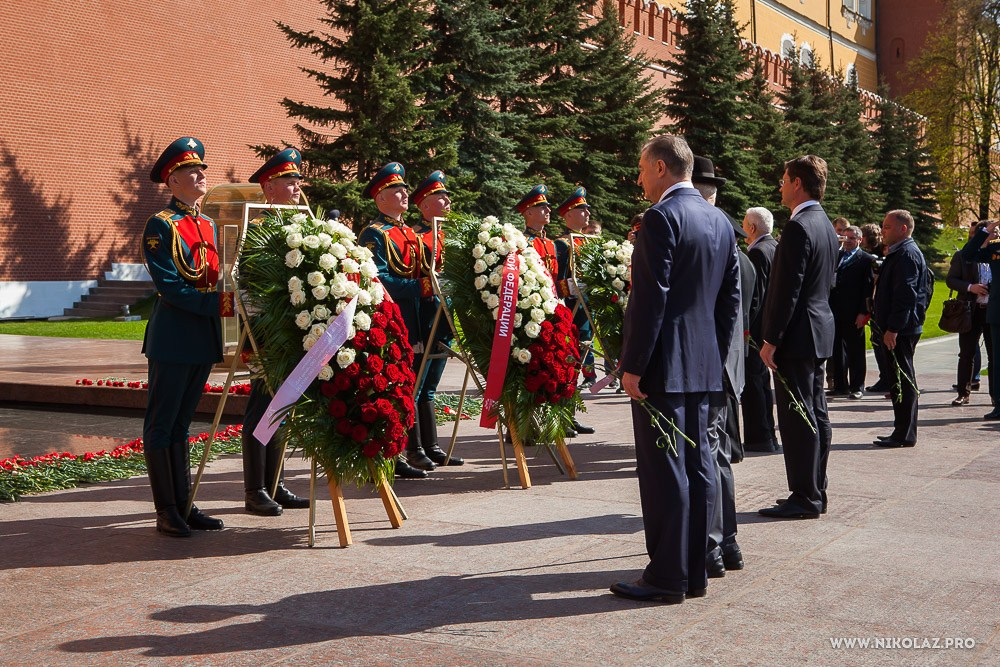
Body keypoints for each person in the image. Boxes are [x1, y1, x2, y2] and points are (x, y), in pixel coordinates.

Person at [611, 135, 740, 603]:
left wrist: (633, 364)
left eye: (642, 168)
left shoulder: (661, 217)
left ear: (661, 168)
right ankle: (693, 571)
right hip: (703, 364)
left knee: (665, 470)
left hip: (663, 365)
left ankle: (667, 577)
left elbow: (651, 299)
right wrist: (713, 355)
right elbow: (730, 301)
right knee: (699, 466)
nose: (639, 178)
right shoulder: (719, 220)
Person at [142, 137, 234, 537]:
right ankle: (166, 509)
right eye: (190, 171)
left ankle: (184, 503)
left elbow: (215, 277)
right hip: (174, 335)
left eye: (201, 170)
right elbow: (171, 288)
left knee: (182, 423)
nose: (200, 175)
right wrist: (222, 305)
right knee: (162, 423)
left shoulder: (208, 224)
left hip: (201, 336)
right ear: (172, 180)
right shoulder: (160, 225)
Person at [757, 155, 838, 520]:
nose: (780, 186)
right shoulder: (823, 223)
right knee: (816, 411)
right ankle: (815, 489)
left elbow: (786, 290)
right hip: (817, 328)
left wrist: (771, 338)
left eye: (784, 179)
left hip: (797, 334)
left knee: (797, 416)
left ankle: (805, 496)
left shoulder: (798, 226)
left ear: (798, 184)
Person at [240, 148, 312, 516]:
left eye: (297, 180)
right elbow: (250, 282)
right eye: (289, 181)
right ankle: (255, 490)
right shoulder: (258, 229)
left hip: (293, 328)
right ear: (269, 187)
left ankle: (275, 484)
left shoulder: (302, 228)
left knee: (282, 405)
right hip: (266, 330)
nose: (297, 186)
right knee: (261, 406)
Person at [691, 155, 752, 577]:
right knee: (719, 455)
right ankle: (727, 543)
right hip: (727, 365)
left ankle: (712, 547)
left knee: (707, 457)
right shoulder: (727, 235)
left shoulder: (711, 237)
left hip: (709, 364)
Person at [358, 162, 434, 478]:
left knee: (409, 387)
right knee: (391, 387)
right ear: (380, 199)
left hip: (415, 319)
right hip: (390, 320)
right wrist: (423, 287)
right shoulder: (374, 234)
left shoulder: (410, 233)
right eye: (397, 190)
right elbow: (380, 279)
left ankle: (412, 449)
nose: (404, 194)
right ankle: (396, 454)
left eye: (404, 189)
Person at [516, 184, 588, 438]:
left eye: (547, 206)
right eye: (541, 207)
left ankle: (561, 418)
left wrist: (569, 288)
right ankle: (526, 424)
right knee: (531, 367)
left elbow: (557, 280)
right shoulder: (523, 242)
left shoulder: (549, 243)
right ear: (528, 212)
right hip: (531, 312)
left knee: (560, 364)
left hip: (553, 311)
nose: (548, 210)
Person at [411, 170, 464, 466]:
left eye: (447, 196)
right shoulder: (416, 237)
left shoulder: (449, 236)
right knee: (417, 385)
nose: (448, 202)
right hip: (425, 318)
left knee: (431, 385)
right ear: (424, 205)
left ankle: (432, 446)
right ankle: (415, 448)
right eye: (440, 197)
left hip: (444, 319)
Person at [872, 210, 929, 445]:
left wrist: (893, 328)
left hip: (901, 330)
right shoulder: (901, 252)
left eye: (887, 227)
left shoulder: (906, 254)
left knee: (902, 379)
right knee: (900, 379)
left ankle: (904, 434)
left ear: (903, 229)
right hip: (900, 327)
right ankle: (903, 432)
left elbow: (906, 294)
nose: (882, 231)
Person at [741, 207, 781, 452]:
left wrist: (746, 331)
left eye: (744, 224)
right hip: (768, 327)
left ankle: (760, 437)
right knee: (761, 383)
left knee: (754, 384)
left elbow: (755, 297)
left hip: (755, 330)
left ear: (752, 227)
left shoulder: (757, 252)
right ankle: (766, 435)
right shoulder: (774, 247)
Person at [948, 222, 995, 407]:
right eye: (991, 232)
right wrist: (970, 287)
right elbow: (951, 280)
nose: (995, 235)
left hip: (992, 311)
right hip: (970, 311)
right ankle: (963, 393)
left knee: (995, 355)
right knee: (966, 353)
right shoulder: (963, 255)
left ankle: (995, 395)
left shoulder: (996, 254)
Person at [555, 186, 597, 390]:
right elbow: (559, 277)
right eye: (582, 210)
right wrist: (570, 288)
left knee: (587, 341)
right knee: (574, 343)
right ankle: (569, 380)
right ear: (569, 215)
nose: (587, 213)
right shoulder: (563, 243)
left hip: (589, 301)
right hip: (573, 304)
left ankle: (587, 375)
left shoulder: (588, 241)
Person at [828, 225, 876, 400]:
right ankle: (840, 385)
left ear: (860, 240)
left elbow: (868, 288)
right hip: (835, 311)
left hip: (854, 312)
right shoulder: (837, 256)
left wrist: (863, 312)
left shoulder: (866, 260)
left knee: (855, 351)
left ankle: (857, 386)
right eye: (845, 237)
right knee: (837, 350)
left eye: (852, 238)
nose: (847, 241)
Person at [960, 218, 1000, 420]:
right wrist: (986, 231)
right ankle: (999, 404)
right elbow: (968, 254)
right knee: (998, 361)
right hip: (997, 313)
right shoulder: (996, 250)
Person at [860, 223, 893, 394]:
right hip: (876, 303)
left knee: (880, 343)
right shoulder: (878, 254)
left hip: (880, 305)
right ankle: (885, 377)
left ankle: (887, 378)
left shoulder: (880, 256)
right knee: (877, 341)